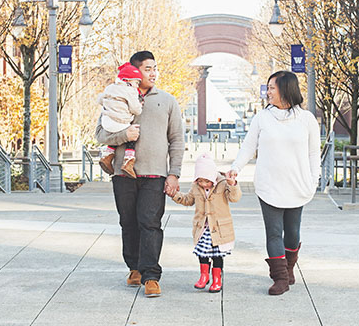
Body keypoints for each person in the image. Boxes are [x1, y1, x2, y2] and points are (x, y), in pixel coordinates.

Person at [95, 51, 184, 298]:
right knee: (128, 223)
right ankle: (133, 267)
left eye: (155, 68)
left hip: (155, 175)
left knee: (150, 223)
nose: (153, 73)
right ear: (134, 72)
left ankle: (151, 276)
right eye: (147, 68)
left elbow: (177, 139)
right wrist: (124, 136)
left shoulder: (167, 101)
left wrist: (174, 173)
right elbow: (101, 134)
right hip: (123, 174)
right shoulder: (117, 97)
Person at [227, 70, 321, 296]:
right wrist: (235, 168)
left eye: (272, 87)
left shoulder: (306, 119)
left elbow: (313, 153)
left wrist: (313, 180)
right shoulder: (262, 118)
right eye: (268, 87)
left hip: (297, 184)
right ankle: (280, 278)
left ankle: (289, 268)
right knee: (273, 232)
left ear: (286, 89)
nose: (267, 91)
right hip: (269, 184)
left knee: (293, 232)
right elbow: (248, 146)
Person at [167, 153, 241, 293]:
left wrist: (233, 185)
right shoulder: (196, 187)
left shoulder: (223, 184)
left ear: (212, 178)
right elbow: (188, 200)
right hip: (202, 228)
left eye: (206, 181)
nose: (203, 184)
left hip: (219, 228)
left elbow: (235, 198)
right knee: (202, 253)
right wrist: (174, 195)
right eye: (200, 181)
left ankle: (217, 279)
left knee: (217, 255)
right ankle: (204, 276)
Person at [98, 62, 144, 178]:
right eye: (136, 82)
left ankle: (107, 155)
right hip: (121, 122)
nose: (137, 85)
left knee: (116, 134)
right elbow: (136, 110)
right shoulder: (130, 91)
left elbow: (100, 99)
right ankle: (128, 161)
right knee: (132, 135)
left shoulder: (110, 87)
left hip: (107, 121)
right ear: (128, 81)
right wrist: (140, 105)